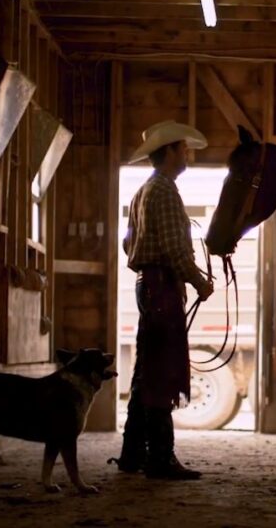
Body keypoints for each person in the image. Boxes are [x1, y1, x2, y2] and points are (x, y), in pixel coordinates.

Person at [110, 120, 214, 480]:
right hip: (162, 287)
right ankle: (161, 458)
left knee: (146, 371)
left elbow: (128, 243)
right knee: (162, 372)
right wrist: (200, 282)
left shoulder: (143, 192)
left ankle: (133, 453)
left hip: (148, 285)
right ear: (169, 152)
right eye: (182, 149)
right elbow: (174, 250)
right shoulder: (166, 191)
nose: (186, 154)